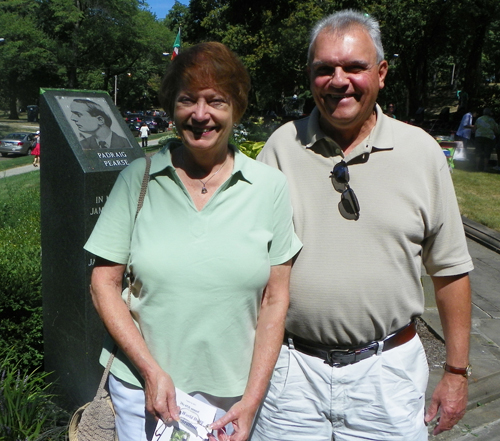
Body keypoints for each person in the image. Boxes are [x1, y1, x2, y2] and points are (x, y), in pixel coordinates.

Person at [252, 9, 473, 441]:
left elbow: (450, 269)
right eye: (324, 69)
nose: (339, 81)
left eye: (355, 67)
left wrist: (457, 371)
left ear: (382, 72)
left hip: (387, 374)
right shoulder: (281, 147)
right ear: (310, 76)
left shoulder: (421, 152)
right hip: (292, 374)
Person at [84, 42, 301, 441]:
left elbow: (275, 299)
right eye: (187, 100)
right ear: (172, 108)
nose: (200, 115)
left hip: (233, 397)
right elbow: (104, 285)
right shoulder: (138, 179)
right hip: (144, 390)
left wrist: (252, 399)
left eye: (215, 100)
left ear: (236, 107)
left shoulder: (269, 187)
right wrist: (150, 371)